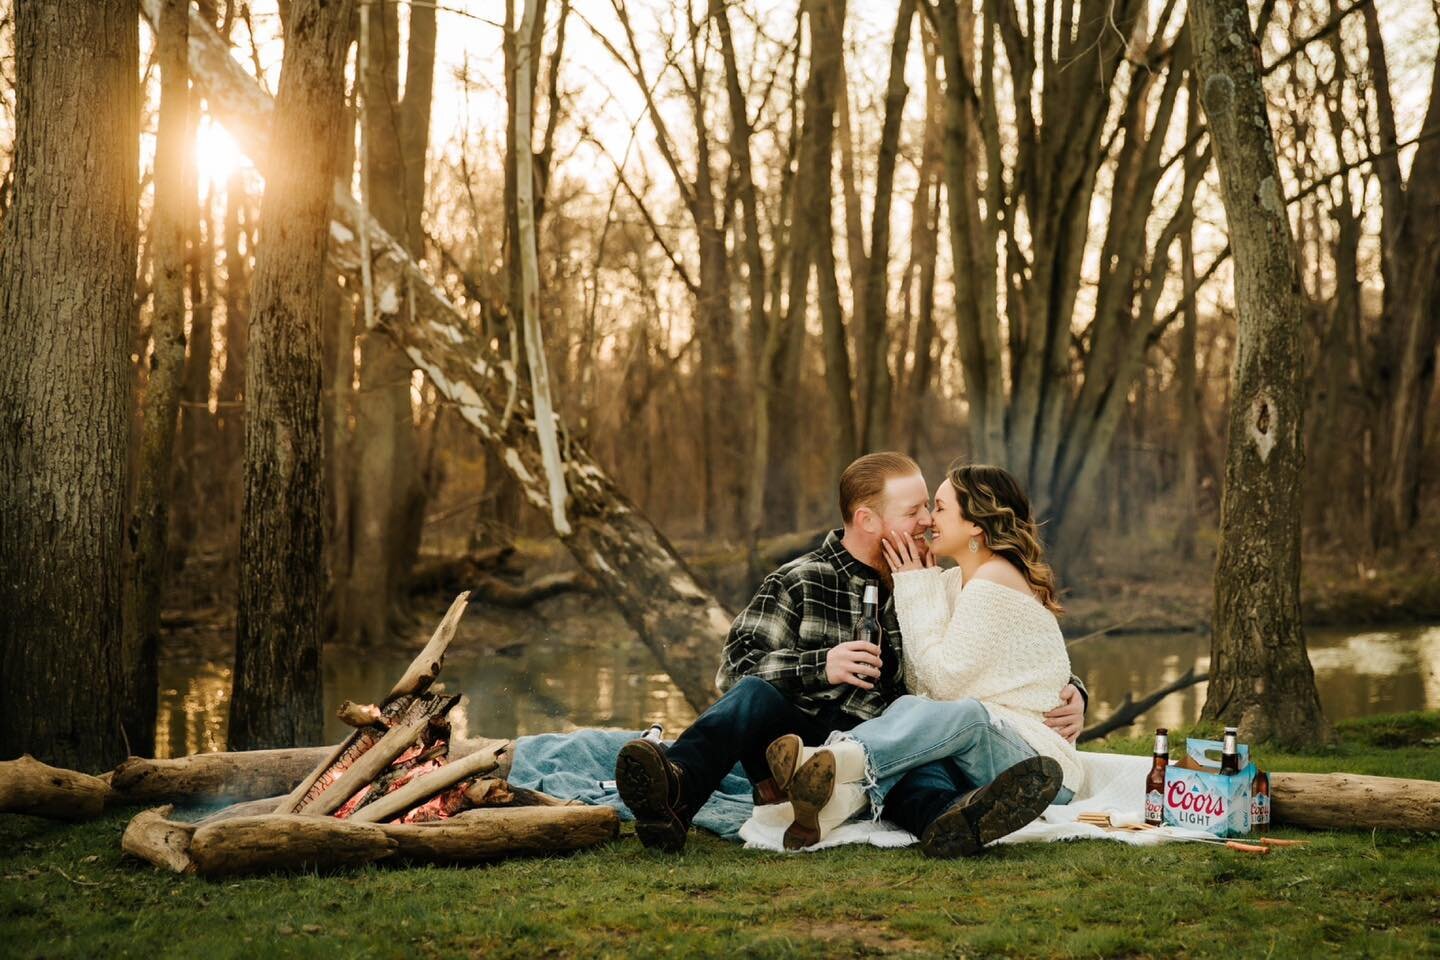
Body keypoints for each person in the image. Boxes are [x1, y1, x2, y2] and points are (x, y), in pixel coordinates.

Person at [614, 452, 1087, 854]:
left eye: (932, 508)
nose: (925, 522)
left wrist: (1072, 694)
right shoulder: (801, 580)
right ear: (867, 520)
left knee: (920, 754)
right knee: (755, 694)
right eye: (914, 511)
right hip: (801, 740)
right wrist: (821, 666)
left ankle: (949, 820)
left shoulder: (923, 579)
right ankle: (677, 789)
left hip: (899, 737)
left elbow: (1001, 650)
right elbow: (734, 671)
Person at [768, 462, 1083, 857]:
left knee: (966, 715)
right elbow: (924, 687)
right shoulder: (956, 582)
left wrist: (916, 587)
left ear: (974, 525)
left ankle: (824, 759)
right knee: (917, 756)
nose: (930, 520)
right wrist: (923, 586)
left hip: (1037, 760)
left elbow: (944, 685)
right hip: (983, 751)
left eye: (940, 508)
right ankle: (824, 812)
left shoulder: (995, 578)